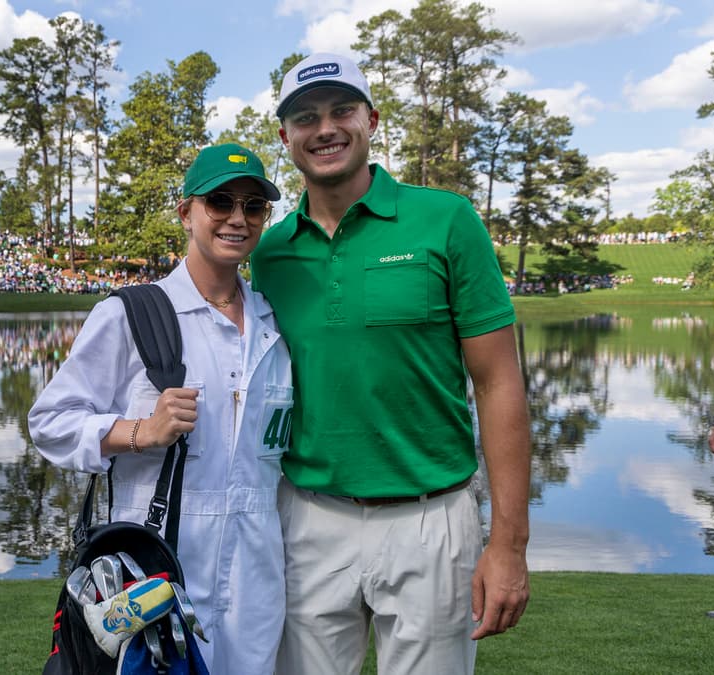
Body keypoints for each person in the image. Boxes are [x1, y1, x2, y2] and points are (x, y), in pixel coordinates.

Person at [249, 53, 532, 674]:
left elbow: (498, 382)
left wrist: (509, 542)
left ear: (371, 120)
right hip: (306, 519)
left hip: (430, 520)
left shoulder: (446, 219)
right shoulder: (270, 252)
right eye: (306, 117)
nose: (325, 128)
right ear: (285, 136)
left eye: (341, 110)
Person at [29, 143, 293, 675]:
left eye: (253, 206)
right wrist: (140, 432)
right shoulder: (134, 314)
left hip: (257, 579)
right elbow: (50, 422)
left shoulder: (275, 322)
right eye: (220, 202)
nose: (237, 218)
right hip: (155, 572)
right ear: (186, 212)